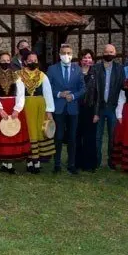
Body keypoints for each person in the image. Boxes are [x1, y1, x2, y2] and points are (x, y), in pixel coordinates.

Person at [0, 51, 31, 173]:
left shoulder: (16, 76)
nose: (5, 62)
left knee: (12, 132)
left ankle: (10, 164)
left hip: (13, 108)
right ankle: (4, 163)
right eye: (3, 60)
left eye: (8, 60)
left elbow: (21, 94)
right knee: (2, 134)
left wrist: (17, 109)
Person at [47, 44, 85, 174]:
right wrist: (59, 94)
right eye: (64, 53)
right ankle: (57, 164)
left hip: (73, 108)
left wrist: (73, 96)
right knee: (58, 137)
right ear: (59, 55)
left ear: (72, 54)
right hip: (58, 108)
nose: (66, 55)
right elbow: (47, 87)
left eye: (69, 53)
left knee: (72, 138)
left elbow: (83, 88)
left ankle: (71, 164)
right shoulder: (52, 69)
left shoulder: (78, 69)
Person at [19, 51, 55, 173]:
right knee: (29, 133)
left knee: (39, 132)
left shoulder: (42, 76)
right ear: (25, 62)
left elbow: (48, 94)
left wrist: (49, 111)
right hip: (25, 107)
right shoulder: (19, 75)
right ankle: (29, 161)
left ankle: (37, 162)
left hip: (40, 108)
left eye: (35, 60)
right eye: (30, 60)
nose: (33, 62)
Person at [94, 44, 125, 169]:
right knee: (97, 136)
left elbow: (122, 88)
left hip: (113, 107)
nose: (109, 54)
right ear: (103, 53)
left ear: (115, 53)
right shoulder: (96, 68)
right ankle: (96, 161)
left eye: (111, 51)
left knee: (113, 136)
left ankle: (112, 162)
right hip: (99, 107)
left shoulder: (120, 69)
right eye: (106, 51)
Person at [76, 49, 99, 172]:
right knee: (77, 136)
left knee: (89, 137)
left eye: (89, 58)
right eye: (85, 57)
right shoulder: (75, 72)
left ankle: (90, 164)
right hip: (76, 109)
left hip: (90, 109)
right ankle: (77, 162)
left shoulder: (96, 73)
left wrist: (96, 113)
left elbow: (98, 95)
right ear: (80, 60)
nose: (87, 60)